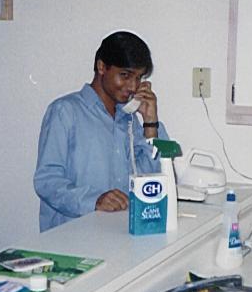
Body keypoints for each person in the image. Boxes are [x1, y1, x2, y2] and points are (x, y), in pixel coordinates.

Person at [34, 31, 169, 232]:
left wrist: (150, 122)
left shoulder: (129, 120)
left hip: (119, 234)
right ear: (102, 67)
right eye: (125, 75)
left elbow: (154, 180)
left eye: (138, 78)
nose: (133, 86)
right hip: (72, 237)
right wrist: (94, 201)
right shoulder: (65, 111)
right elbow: (47, 181)